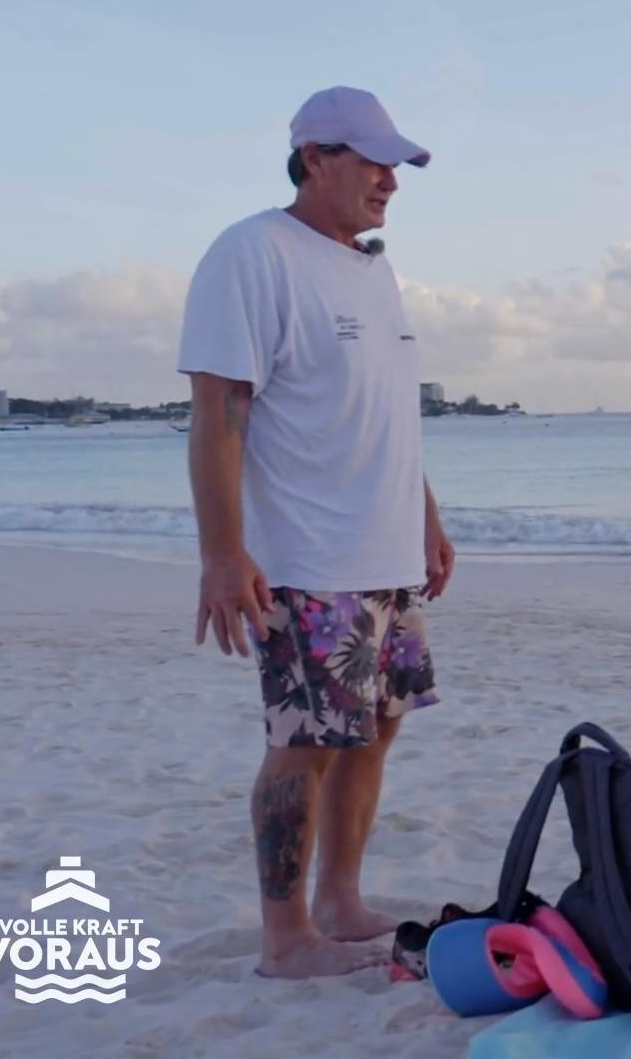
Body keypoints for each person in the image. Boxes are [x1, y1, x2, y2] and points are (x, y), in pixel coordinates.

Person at [178, 86, 456, 979]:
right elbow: (220, 410)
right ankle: (285, 935)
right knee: (303, 743)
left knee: (376, 729)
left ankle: (340, 900)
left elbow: (379, 411)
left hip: (388, 555)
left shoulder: (373, 269)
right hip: (307, 557)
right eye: (372, 162)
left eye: (396, 165)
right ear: (313, 159)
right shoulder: (253, 252)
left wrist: (428, 518)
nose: (390, 181)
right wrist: (225, 555)